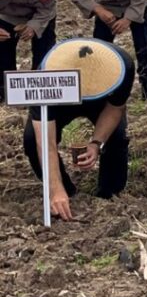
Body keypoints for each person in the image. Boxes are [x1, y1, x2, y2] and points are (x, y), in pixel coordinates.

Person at [23, 38, 133, 221]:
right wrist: (56, 189)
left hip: (102, 99)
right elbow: (45, 141)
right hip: (59, 97)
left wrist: (96, 143)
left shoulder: (123, 64)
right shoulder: (45, 74)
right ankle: (64, 191)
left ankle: (109, 193)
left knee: (117, 136)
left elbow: (115, 108)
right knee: (30, 140)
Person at [0, 0, 57, 100]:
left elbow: (48, 8)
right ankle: (5, 88)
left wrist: (32, 27)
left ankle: (41, 85)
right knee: (2, 48)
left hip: (39, 13)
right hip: (5, 16)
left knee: (43, 46)